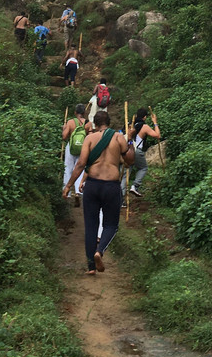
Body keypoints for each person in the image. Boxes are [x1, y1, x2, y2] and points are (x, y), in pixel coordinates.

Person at [63, 110, 135, 274]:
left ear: (94, 124)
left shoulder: (89, 138)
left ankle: (90, 267)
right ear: (109, 123)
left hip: (92, 185)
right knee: (111, 225)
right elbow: (130, 161)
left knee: (91, 226)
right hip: (111, 186)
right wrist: (129, 141)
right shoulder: (118, 137)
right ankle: (99, 251)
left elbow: (81, 164)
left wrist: (69, 186)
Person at [124, 107, 160, 198]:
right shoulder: (144, 126)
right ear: (144, 117)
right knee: (143, 168)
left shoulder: (131, 124)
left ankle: (120, 198)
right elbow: (157, 135)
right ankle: (135, 186)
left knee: (126, 173)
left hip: (127, 150)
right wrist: (155, 122)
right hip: (136, 150)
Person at [62, 103, 89, 204]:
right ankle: (78, 191)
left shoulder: (70, 122)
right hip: (83, 148)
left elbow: (64, 137)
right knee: (80, 168)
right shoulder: (88, 123)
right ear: (84, 113)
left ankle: (67, 193)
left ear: (75, 112)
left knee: (68, 168)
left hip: (71, 147)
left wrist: (64, 129)